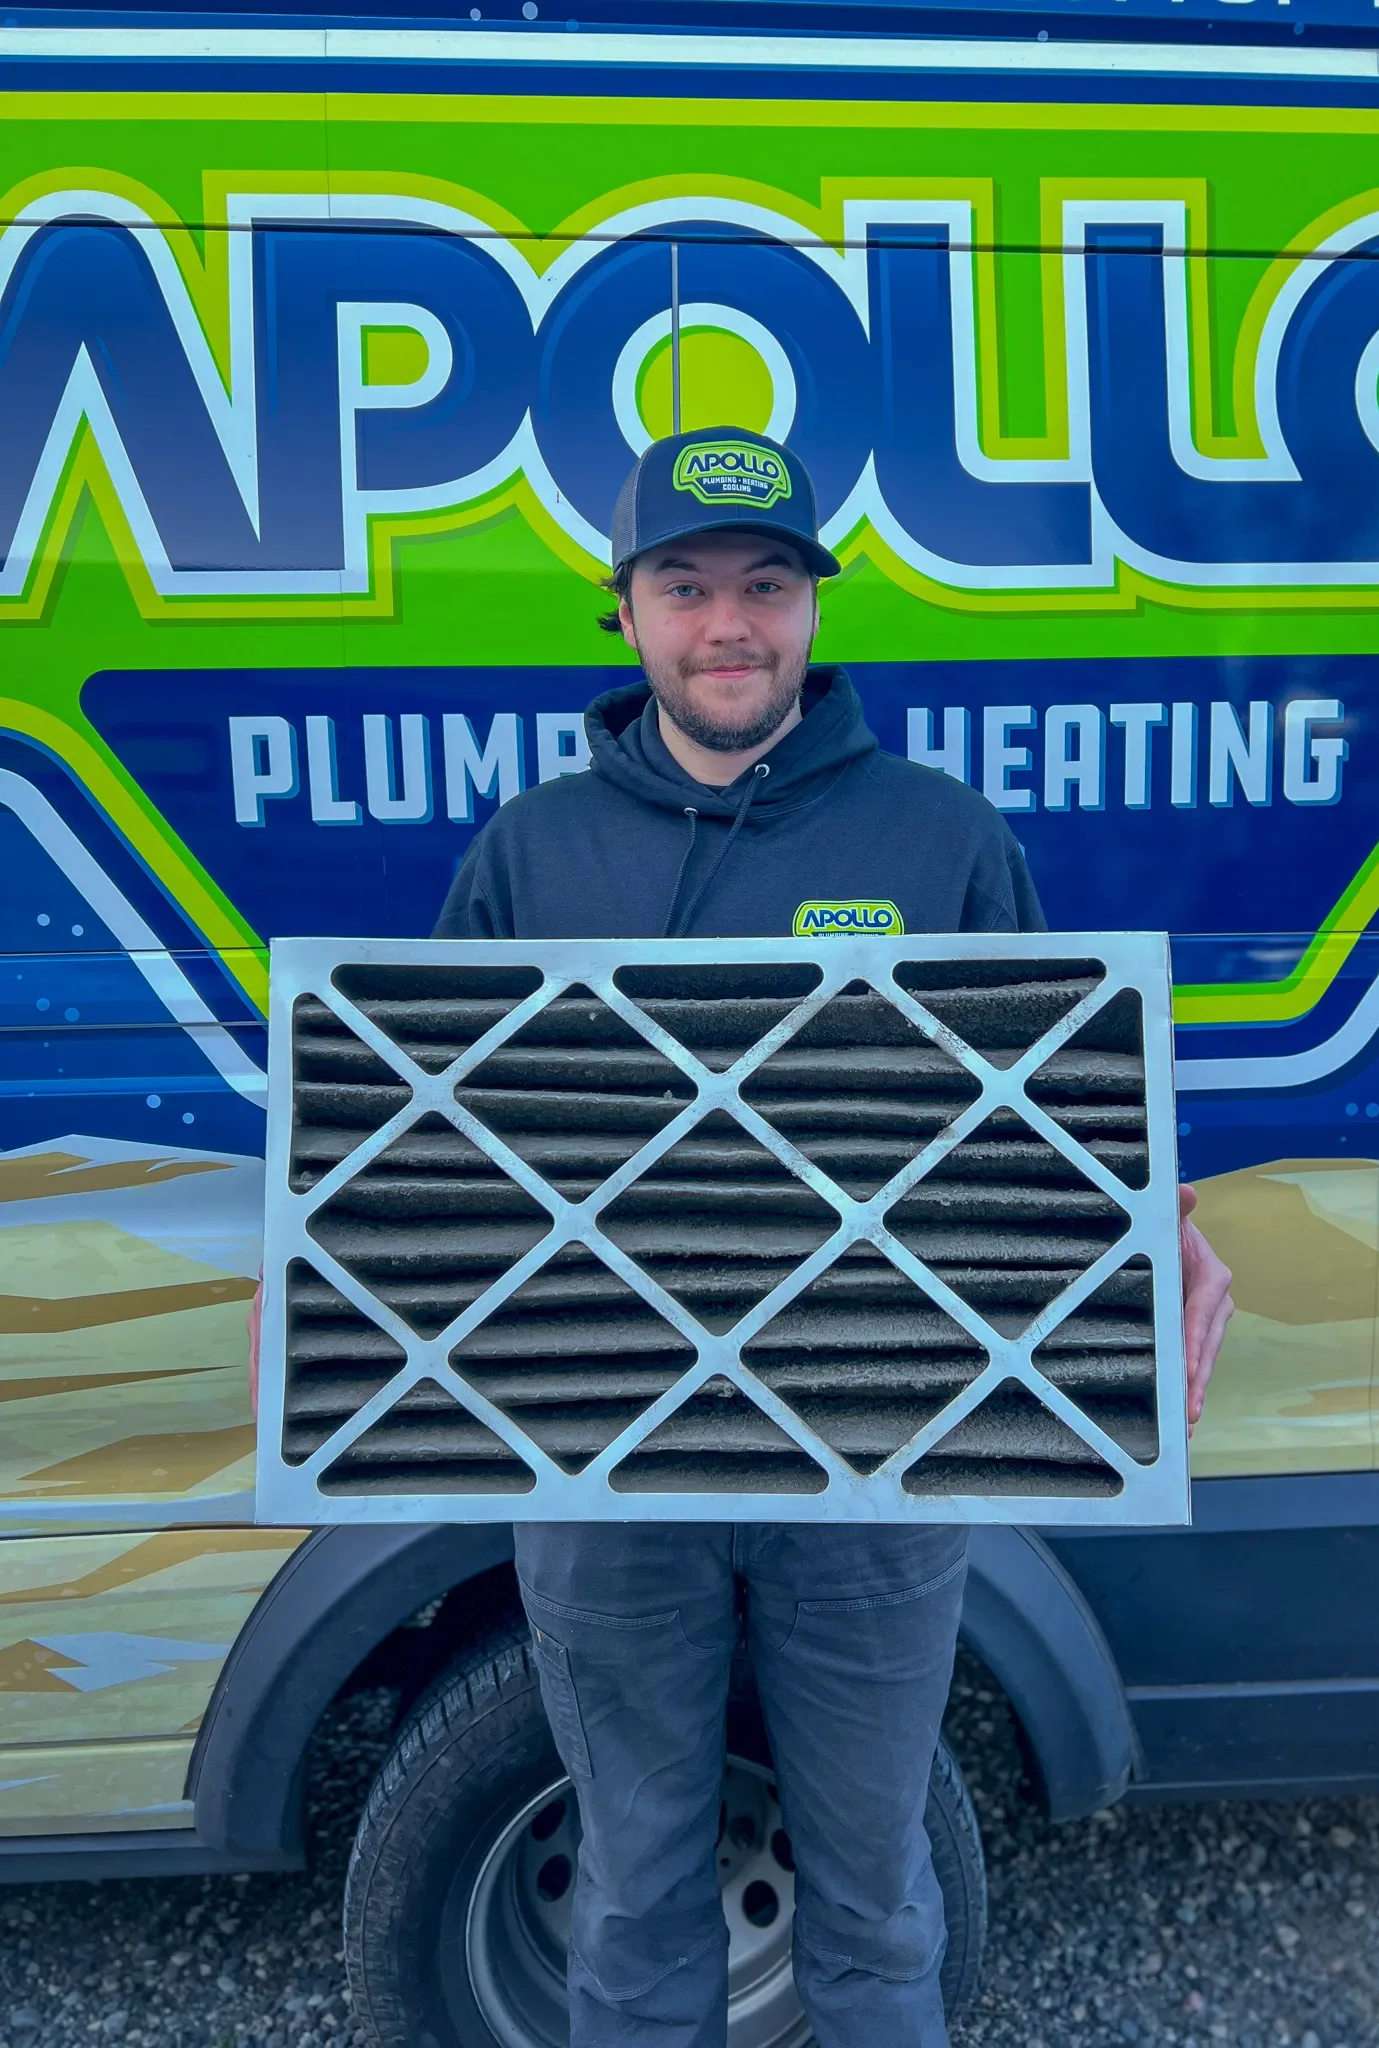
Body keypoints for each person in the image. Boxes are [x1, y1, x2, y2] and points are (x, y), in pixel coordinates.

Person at [250, 424, 1234, 2048]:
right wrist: (331, 1291)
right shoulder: (530, 856)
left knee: (876, 1902)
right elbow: (425, 1162)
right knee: (637, 1898)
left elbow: (1055, 1125)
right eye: (687, 586)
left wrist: (1152, 1234)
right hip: (601, 1484)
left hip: (877, 1475)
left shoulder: (939, 839)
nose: (730, 624)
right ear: (626, 612)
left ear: (813, 607)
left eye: (767, 584)